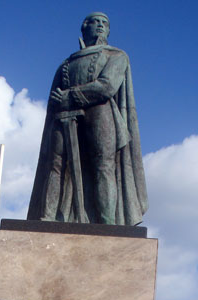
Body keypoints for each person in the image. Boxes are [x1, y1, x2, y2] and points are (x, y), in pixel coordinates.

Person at [27, 12, 148, 226]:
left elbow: (107, 86)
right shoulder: (65, 64)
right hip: (64, 116)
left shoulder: (116, 56)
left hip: (101, 112)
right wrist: (60, 100)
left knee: (104, 166)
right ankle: (48, 216)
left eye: (105, 23)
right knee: (56, 165)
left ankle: (108, 223)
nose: (100, 26)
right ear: (85, 27)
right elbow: (54, 96)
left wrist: (70, 95)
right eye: (95, 22)